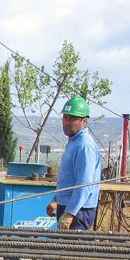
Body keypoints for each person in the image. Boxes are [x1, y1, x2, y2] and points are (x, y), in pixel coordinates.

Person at [46, 95, 101, 230]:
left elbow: (84, 184)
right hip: (68, 206)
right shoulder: (74, 142)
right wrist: (56, 199)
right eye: (65, 117)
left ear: (84, 121)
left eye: (72, 118)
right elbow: (69, 179)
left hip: (79, 210)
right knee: (64, 249)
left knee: (74, 249)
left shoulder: (84, 145)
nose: (66, 122)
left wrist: (70, 213)